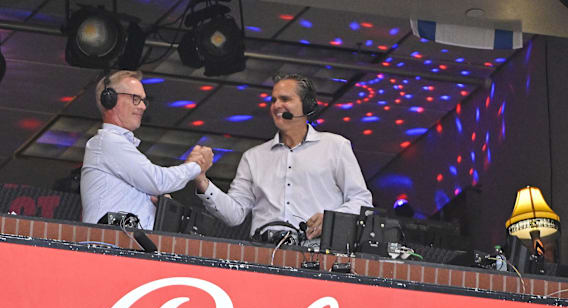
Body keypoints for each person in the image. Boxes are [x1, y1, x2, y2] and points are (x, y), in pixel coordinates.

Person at [195, 72, 373, 240]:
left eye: (285, 99)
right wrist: (202, 181)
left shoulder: (335, 146)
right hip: (262, 251)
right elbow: (235, 214)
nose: (276, 105)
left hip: (316, 252)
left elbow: (361, 201)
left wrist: (332, 219)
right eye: (274, 100)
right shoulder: (253, 157)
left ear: (307, 105)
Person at [81, 70, 213, 229]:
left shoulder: (117, 147)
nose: (143, 106)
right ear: (110, 99)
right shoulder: (107, 141)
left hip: (125, 248)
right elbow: (158, 181)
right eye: (135, 99)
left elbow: (153, 185)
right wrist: (196, 165)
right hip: (106, 248)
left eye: (144, 100)